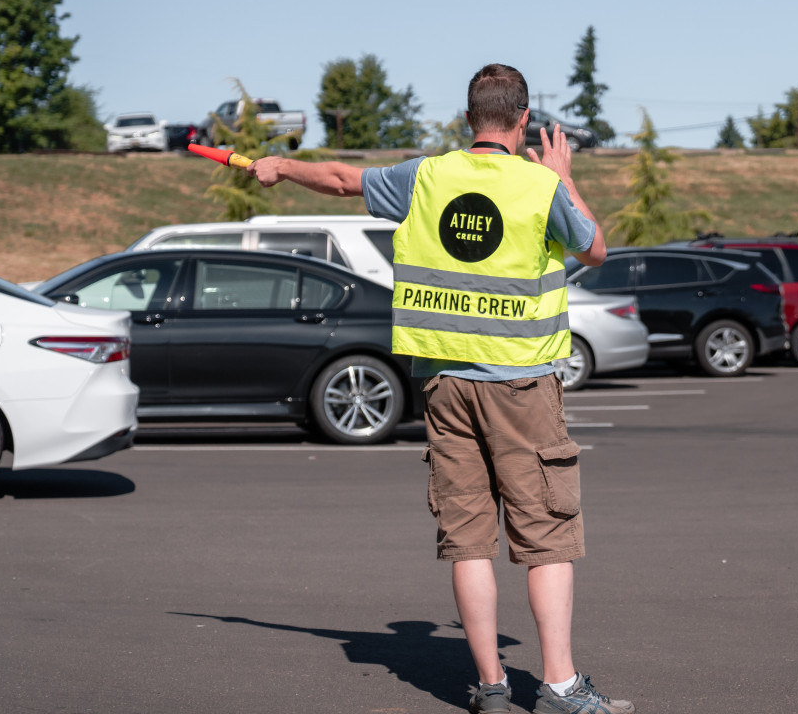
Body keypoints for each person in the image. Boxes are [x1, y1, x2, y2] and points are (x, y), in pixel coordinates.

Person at [246, 63, 632, 714]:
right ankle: (561, 687)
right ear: (523, 121)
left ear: (468, 119)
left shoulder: (424, 176)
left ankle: (489, 685)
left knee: (470, 537)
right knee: (545, 535)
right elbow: (594, 247)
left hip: (444, 383)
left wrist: (280, 169)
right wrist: (563, 174)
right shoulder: (538, 186)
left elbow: (341, 179)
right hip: (521, 384)